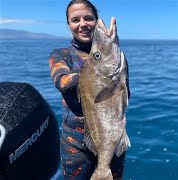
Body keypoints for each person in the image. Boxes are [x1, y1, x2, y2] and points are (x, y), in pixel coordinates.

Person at [48, 0, 127, 179]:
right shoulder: (61, 55)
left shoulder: (116, 62)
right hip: (74, 145)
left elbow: (125, 96)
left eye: (88, 18)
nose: (83, 24)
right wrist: (98, 70)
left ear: (96, 21)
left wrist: (108, 60)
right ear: (68, 24)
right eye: (75, 20)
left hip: (113, 140)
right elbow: (62, 82)